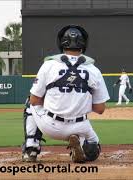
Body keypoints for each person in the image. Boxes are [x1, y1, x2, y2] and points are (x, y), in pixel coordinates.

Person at [21, 25, 110, 163]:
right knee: (93, 150)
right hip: (81, 126)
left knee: (29, 103)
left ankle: (31, 148)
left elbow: (34, 100)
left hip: (51, 125)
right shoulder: (94, 70)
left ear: (61, 43)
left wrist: (55, 99)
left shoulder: (49, 65)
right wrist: (79, 100)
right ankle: (82, 146)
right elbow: (100, 109)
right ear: (83, 44)